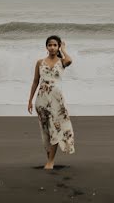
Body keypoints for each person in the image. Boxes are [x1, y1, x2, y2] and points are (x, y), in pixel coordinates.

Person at [28, 35, 75, 169]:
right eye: (50, 45)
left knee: (55, 129)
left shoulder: (62, 61)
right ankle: (49, 158)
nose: (52, 47)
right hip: (42, 99)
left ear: (58, 46)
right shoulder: (39, 62)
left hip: (56, 100)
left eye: (55, 45)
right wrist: (30, 100)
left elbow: (70, 60)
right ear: (46, 47)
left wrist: (64, 49)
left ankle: (51, 161)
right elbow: (35, 82)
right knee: (46, 131)